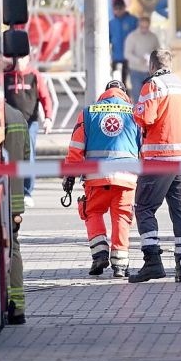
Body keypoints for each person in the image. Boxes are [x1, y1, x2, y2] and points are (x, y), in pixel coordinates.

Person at [128, 49, 181, 283]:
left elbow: (144, 118)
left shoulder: (153, 86)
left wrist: (137, 109)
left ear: (152, 66)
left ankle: (153, 261)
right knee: (180, 210)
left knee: (144, 208)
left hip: (158, 159)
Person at [62, 80, 140, 278]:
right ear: (124, 93)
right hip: (126, 178)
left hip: (96, 177)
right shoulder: (134, 112)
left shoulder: (88, 113)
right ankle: (120, 265)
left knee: (93, 211)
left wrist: (69, 176)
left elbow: (76, 148)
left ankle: (99, 254)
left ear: (105, 93)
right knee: (122, 217)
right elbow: (144, 146)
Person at [3, 54, 53, 207]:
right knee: (9, 156)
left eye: (22, 58)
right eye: (16, 58)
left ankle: (27, 192)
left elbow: (45, 97)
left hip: (30, 123)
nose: (18, 61)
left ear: (28, 59)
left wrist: (48, 118)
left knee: (28, 155)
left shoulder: (34, 75)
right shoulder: (5, 76)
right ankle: (10, 190)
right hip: (10, 123)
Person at [3, 104, 29, 325]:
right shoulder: (18, 116)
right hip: (15, 199)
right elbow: (27, 155)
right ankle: (18, 306)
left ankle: (3, 301)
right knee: (13, 248)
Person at [124, 15, 160, 101]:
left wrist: (152, 59)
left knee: (150, 96)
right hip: (135, 71)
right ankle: (137, 114)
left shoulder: (153, 37)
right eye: (142, 27)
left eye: (146, 27)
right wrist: (138, 60)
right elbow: (127, 54)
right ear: (138, 25)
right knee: (137, 96)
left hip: (149, 71)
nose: (144, 29)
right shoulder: (132, 37)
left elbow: (158, 51)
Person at [110, 0, 139, 88]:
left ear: (124, 8)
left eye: (120, 8)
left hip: (131, 56)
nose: (118, 11)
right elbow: (109, 39)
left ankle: (132, 97)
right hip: (116, 56)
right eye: (116, 9)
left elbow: (138, 36)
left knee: (133, 80)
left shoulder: (133, 20)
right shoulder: (111, 23)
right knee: (117, 81)